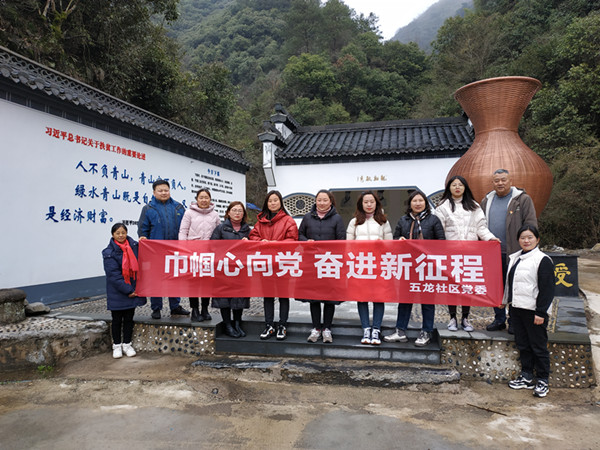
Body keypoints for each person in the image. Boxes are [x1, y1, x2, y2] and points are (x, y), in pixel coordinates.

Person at [434, 175, 499, 332]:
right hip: (451, 254)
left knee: (467, 287)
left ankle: (465, 318)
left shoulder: (474, 206)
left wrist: (490, 238)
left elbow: (481, 227)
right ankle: (452, 318)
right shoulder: (442, 207)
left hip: (470, 254)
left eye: (460, 185)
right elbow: (439, 230)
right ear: (449, 188)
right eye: (454, 185)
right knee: (451, 287)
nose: (457, 187)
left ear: (465, 188)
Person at [385, 190, 445, 347]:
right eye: (414, 201)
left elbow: (441, 241)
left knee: (427, 300)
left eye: (421, 200)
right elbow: (395, 239)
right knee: (405, 299)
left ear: (425, 202)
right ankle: (400, 331)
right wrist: (400, 240)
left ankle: (426, 331)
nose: (418, 203)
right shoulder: (403, 220)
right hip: (408, 265)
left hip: (427, 266)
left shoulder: (433, 220)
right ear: (409, 204)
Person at [480, 169, 537, 332]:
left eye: (503, 180)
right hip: (492, 253)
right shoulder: (486, 200)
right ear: (492, 183)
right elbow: (480, 224)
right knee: (495, 286)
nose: (500, 183)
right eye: (496, 180)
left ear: (510, 181)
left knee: (514, 286)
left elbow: (531, 223)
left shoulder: (522, 199)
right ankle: (499, 319)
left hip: (515, 251)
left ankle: (513, 321)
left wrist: (528, 247)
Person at [506, 225, 554, 398]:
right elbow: (511, 284)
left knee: (538, 347)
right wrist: (506, 302)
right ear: (518, 240)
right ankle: (526, 376)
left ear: (537, 239)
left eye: (530, 237)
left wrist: (541, 312)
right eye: (523, 238)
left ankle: (542, 380)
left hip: (533, 311)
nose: (526, 241)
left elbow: (547, 289)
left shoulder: (543, 260)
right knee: (523, 345)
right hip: (517, 308)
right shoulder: (516, 258)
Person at [297, 189, 345, 343]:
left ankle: (327, 328)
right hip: (312, 263)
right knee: (314, 297)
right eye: (319, 200)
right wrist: (306, 242)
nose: (322, 203)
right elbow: (299, 235)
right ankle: (316, 327)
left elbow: (342, 240)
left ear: (330, 201)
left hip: (329, 263)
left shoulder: (337, 218)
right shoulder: (307, 217)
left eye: (325, 200)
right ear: (315, 201)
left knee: (329, 297)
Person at [249, 190, 298, 340]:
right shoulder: (261, 221)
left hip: (282, 262)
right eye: (270, 201)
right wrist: (260, 242)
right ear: (266, 203)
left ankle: (282, 325)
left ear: (280, 202)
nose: (273, 203)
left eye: (275, 200)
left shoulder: (288, 221)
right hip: (266, 263)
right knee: (268, 295)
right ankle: (269, 325)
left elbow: (293, 240)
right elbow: (253, 236)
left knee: (283, 295)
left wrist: (276, 244)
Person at [138, 179, 190, 319]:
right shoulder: (148, 209)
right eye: (160, 190)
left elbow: (186, 228)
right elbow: (143, 229)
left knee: (175, 278)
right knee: (156, 279)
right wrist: (143, 238)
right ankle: (156, 308)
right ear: (154, 192)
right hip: (156, 252)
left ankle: (175, 306)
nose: (163, 193)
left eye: (166, 190)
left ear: (169, 191)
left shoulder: (179, 208)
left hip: (175, 251)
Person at [346, 190, 393, 345]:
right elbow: (348, 245)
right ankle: (366, 328)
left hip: (378, 265)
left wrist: (382, 245)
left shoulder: (383, 221)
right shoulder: (354, 222)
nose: (369, 205)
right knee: (362, 297)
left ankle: (376, 329)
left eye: (371, 202)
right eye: (365, 202)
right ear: (361, 204)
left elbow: (390, 245)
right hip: (360, 265)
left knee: (379, 297)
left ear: (376, 203)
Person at [102, 223, 145, 358]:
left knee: (128, 319)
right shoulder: (108, 253)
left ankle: (127, 344)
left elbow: (147, 254)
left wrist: (145, 242)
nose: (121, 235)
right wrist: (128, 290)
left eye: (123, 232)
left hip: (132, 291)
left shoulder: (134, 247)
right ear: (113, 235)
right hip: (118, 292)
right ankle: (116, 346)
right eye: (118, 233)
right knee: (116, 320)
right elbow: (113, 275)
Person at [179, 188, 221, 322]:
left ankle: (205, 309)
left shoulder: (215, 214)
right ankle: (195, 309)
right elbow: (183, 231)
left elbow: (219, 232)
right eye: (201, 197)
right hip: (193, 253)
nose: (204, 200)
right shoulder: (189, 213)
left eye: (206, 197)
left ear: (210, 199)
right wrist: (183, 250)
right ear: (196, 199)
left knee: (207, 282)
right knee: (193, 283)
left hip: (209, 254)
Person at [210, 201, 251, 338]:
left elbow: (254, 249)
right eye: (234, 210)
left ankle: (237, 324)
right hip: (224, 268)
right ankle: (227, 325)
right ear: (228, 212)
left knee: (239, 297)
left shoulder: (248, 230)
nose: (237, 213)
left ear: (243, 214)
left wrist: (248, 243)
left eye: (240, 211)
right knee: (224, 298)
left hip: (240, 269)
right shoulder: (221, 228)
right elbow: (212, 246)